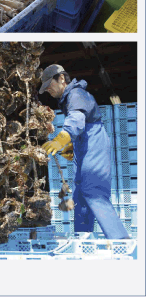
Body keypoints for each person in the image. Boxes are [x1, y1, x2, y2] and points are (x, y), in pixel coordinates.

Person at [40, 64, 129, 239]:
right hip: (83, 145)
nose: (48, 89)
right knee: (80, 194)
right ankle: (82, 241)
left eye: (49, 84)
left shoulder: (76, 93)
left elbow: (78, 120)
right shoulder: (68, 98)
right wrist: (70, 146)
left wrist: (60, 140)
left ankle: (121, 242)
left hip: (94, 142)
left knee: (94, 192)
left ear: (62, 78)